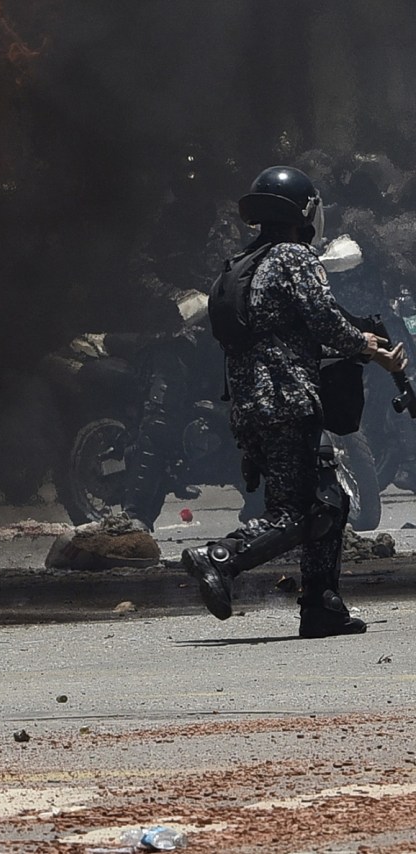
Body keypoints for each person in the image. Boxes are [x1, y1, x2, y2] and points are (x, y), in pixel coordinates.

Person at [182, 166, 407, 638]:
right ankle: (220, 557)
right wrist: (369, 347)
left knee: (328, 504)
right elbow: (324, 322)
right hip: (287, 400)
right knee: (295, 512)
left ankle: (323, 606)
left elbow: (286, 334)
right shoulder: (294, 258)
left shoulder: (246, 262)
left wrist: (358, 342)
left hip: (251, 405)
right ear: (306, 212)